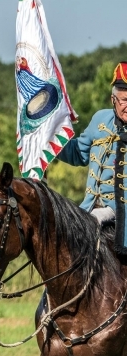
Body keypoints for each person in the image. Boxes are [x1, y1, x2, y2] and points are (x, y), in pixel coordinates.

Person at [57, 62, 127, 237]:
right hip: (88, 210)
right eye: (125, 100)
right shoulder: (100, 119)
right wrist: (52, 138)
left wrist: (110, 210)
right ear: (114, 100)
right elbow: (77, 154)